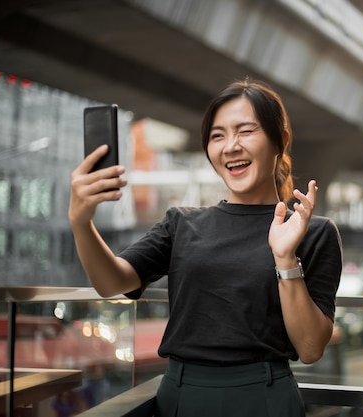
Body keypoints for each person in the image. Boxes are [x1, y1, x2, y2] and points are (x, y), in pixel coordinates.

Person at [68, 77, 343, 416]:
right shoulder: (181, 222)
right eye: (217, 135)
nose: (230, 146)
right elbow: (111, 282)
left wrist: (285, 259)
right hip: (181, 395)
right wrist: (81, 223)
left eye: (245, 131)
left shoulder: (313, 231)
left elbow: (311, 347)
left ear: (280, 141)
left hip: (266, 398)